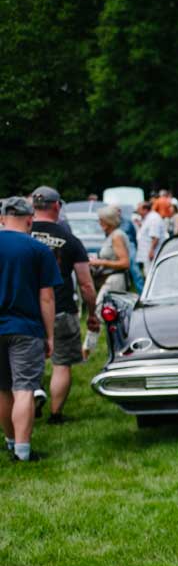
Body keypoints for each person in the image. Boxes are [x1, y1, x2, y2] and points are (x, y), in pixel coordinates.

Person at [1, 196, 61, 462]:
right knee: (23, 388)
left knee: (2, 389)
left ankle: (10, 441)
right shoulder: (38, 250)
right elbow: (46, 298)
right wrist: (49, 335)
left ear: (2, 219)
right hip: (26, 327)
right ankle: (23, 452)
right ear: (29, 220)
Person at [28, 187, 96, 422]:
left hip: (26, 309)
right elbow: (86, 284)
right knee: (62, 363)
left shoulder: (20, 235)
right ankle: (56, 415)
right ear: (57, 206)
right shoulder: (69, 238)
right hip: (61, 307)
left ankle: (31, 400)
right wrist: (93, 314)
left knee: (25, 361)